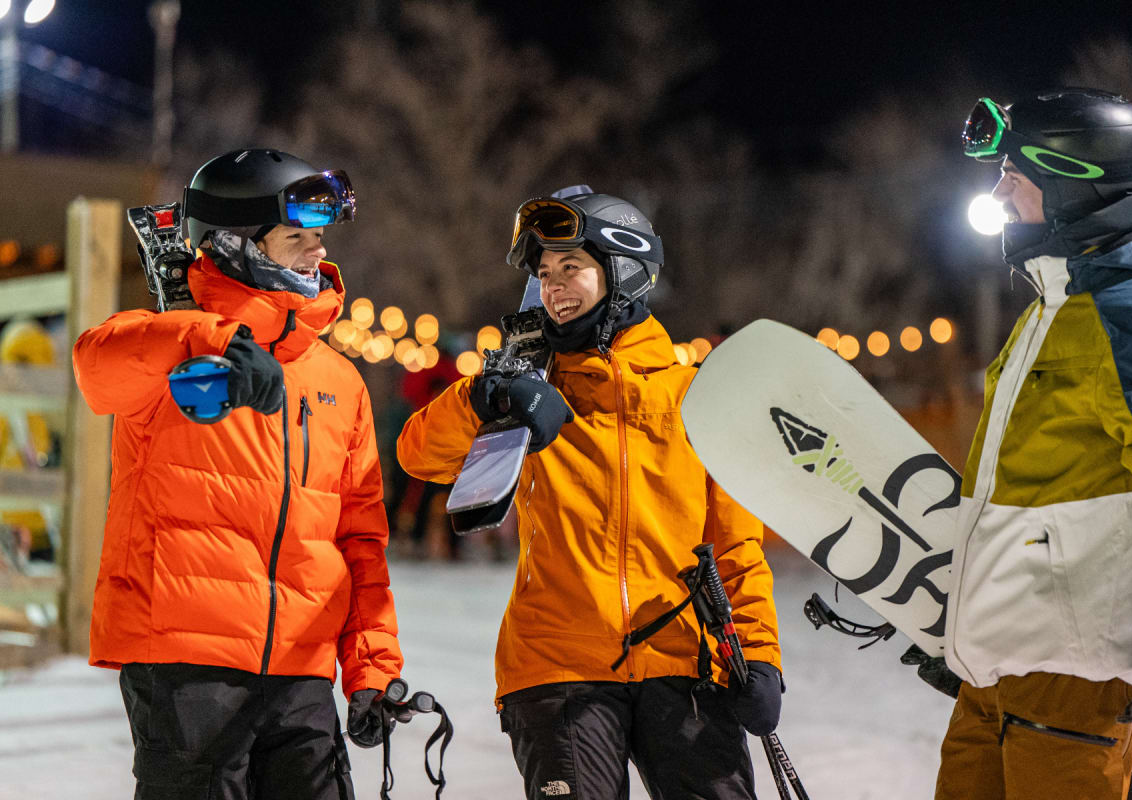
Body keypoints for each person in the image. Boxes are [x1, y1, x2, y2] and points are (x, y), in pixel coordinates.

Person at [397, 189, 782, 799]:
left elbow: (736, 546)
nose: (553, 287)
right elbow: (420, 455)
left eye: (570, 267)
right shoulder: (531, 387)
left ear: (623, 270)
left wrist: (759, 655)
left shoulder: (694, 397)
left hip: (683, 660)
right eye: (545, 273)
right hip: (558, 665)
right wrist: (485, 396)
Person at [72, 149, 405, 799]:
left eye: (320, 237)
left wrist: (372, 668)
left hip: (302, 672)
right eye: (296, 238)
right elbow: (95, 366)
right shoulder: (166, 341)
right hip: (187, 663)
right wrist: (210, 340)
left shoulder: (340, 381)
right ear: (236, 244)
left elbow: (359, 542)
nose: (318, 253)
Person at [903, 89, 1132, 798]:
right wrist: (974, 618)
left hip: (1076, 683)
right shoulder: (1053, 305)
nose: (998, 194)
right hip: (994, 676)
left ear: (1073, 185)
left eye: (1015, 176)